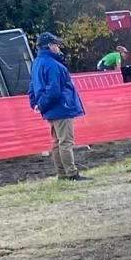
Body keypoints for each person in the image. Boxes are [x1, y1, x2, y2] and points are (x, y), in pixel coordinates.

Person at [28, 32, 86, 181]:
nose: (58, 47)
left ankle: (62, 174)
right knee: (66, 142)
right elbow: (54, 91)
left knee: (56, 142)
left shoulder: (36, 63)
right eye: (56, 44)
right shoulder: (53, 65)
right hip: (61, 107)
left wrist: (36, 104)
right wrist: (41, 105)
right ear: (49, 45)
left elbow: (32, 86)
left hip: (50, 109)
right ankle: (72, 173)